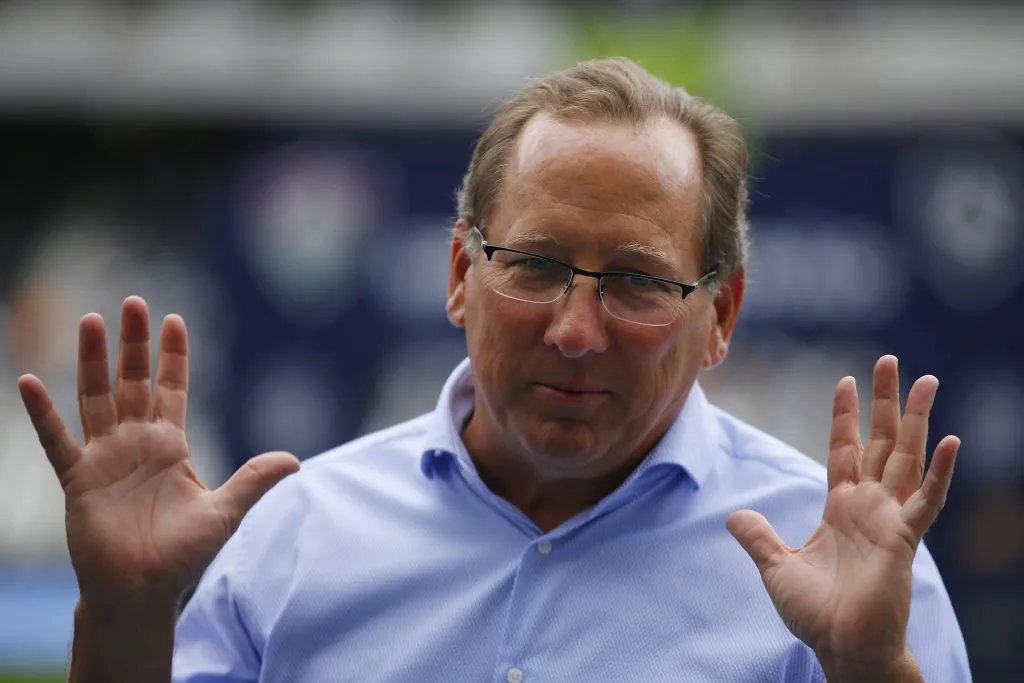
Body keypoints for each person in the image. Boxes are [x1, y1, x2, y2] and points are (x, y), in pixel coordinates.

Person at [18, 57, 970, 682]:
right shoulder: (296, 540)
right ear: (459, 275)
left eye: (638, 281)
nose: (576, 330)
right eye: (536, 265)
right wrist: (126, 610)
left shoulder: (838, 572)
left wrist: (871, 672)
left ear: (719, 315)